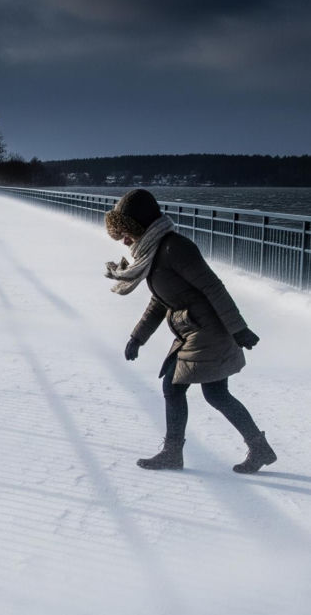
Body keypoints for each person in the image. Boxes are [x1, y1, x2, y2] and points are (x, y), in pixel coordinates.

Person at [103, 188, 276, 473]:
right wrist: (137, 337)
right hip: (195, 329)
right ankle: (259, 448)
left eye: (126, 231)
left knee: (174, 387)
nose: (123, 240)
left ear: (141, 226)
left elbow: (213, 287)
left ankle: (174, 454)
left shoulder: (174, 248)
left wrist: (239, 329)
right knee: (216, 395)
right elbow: (159, 300)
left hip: (209, 330)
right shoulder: (153, 252)